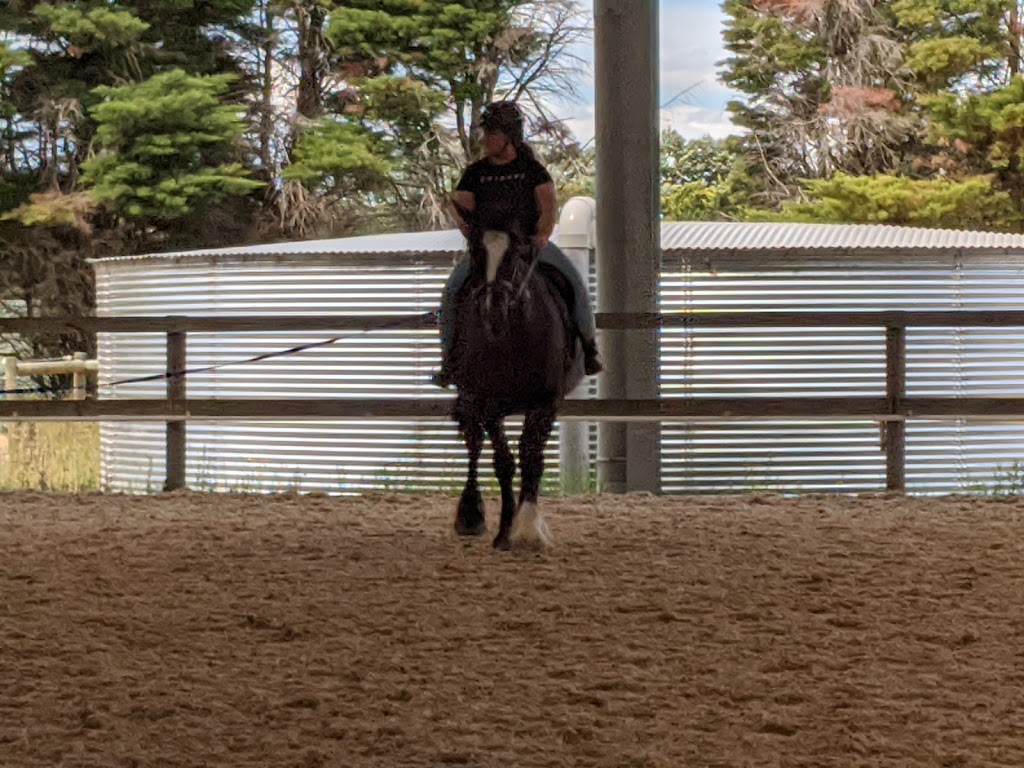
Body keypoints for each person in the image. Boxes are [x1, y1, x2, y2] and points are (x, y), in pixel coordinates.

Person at [432, 100, 603, 388]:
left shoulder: (532, 171)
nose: (486, 139)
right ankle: (450, 359)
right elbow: (462, 210)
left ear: (509, 136)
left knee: (574, 285)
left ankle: (588, 349)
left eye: (492, 133)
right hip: (488, 248)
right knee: (451, 292)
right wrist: (475, 237)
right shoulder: (475, 173)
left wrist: (541, 235)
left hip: (528, 244)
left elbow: (548, 210)